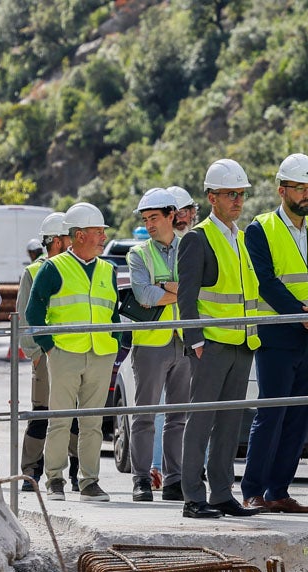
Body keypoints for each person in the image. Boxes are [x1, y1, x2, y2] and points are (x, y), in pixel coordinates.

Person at [240, 153, 308, 514]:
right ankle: (253, 490)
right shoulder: (260, 228)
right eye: (298, 187)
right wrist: (302, 315)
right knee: (271, 414)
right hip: (279, 336)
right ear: (281, 189)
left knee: (299, 416)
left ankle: (279, 491)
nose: (305, 194)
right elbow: (265, 282)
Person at [177, 159, 265, 519]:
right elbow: (186, 295)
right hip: (211, 346)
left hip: (242, 345)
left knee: (230, 423)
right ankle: (192, 497)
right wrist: (195, 340)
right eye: (231, 194)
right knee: (200, 421)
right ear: (212, 197)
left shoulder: (239, 239)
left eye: (241, 194)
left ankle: (220, 494)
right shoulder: (198, 238)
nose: (238, 201)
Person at [24, 201, 120, 503]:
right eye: (98, 231)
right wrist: (50, 348)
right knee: (60, 419)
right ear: (79, 235)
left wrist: (113, 340)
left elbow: (113, 312)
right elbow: (33, 312)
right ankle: (55, 480)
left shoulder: (108, 269)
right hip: (65, 354)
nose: (103, 237)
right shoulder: (53, 268)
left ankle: (89, 482)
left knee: (92, 422)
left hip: (101, 353)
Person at [124, 189, 191, 503]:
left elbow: (198, 290)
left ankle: (174, 480)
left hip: (186, 341)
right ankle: (141, 480)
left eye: (154, 217)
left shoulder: (189, 247)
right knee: (145, 415)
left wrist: (163, 286)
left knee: (179, 416)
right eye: (146, 219)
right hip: (151, 343)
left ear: (170, 216)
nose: (149, 224)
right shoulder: (138, 254)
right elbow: (144, 296)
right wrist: (175, 289)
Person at [16, 212, 77, 491]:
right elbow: (23, 317)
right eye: (69, 237)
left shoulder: (75, 269)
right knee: (42, 412)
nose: (74, 241)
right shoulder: (33, 272)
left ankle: (77, 473)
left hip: (74, 352)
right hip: (45, 355)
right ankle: (31, 473)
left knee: (75, 414)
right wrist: (35, 353)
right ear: (55, 241)